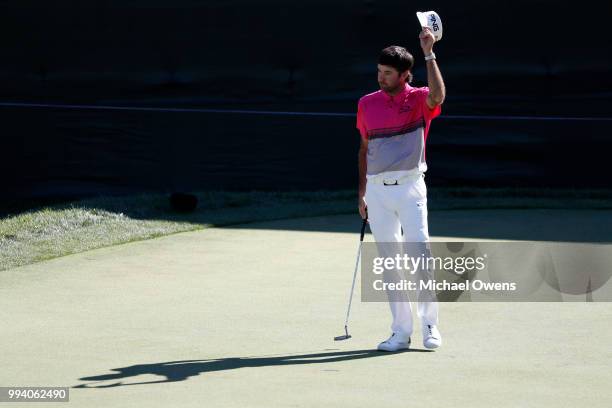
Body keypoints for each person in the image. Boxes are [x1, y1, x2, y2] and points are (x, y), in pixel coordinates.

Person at [356, 27, 445, 351]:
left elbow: (438, 96)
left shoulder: (420, 98)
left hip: (410, 187)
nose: (381, 78)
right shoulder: (366, 104)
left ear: (404, 75)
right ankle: (400, 332)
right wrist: (362, 193)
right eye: (379, 72)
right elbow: (365, 149)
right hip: (378, 192)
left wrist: (429, 53)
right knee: (389, 263)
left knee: (419, 255)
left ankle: (431, 326)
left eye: (388, 73)